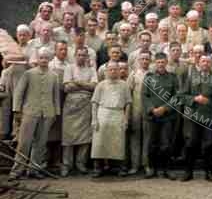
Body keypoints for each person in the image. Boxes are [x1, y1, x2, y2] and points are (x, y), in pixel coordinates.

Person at [8, 47, 61, 181]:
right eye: (41, 57)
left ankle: (34, 169)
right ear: (37, 59)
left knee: (41, 143)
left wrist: (56, 112)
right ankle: (17, 170)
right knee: (24, 142)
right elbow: (19, 93)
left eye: (46, 58)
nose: (43, 60)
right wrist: (17, 110)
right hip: (30, 112)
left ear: (49, 60)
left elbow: (56, 96)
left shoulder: (54, 76)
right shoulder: (29, 74)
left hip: (47, 113)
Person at [178, 55, 212, 182]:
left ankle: (209, 173)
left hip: (210, 117)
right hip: (193, 116)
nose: (205, 63)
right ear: (199, 62)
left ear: (211, 64)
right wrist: (194, 99)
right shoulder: (191, 77)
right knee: (191, 143)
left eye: (208, 61)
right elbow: (181, 96)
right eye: (203, 61)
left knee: (209, 145)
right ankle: (188, 172)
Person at [90, 61, 132, 178]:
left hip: (118, 114)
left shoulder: (124, 85)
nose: (113, 71)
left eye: (115, 69)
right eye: (111, 69)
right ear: (107, 71)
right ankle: (98, 168)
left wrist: (126, 119)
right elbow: (94, 103)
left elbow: (128, 103)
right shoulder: (101, 85)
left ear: (119, 71)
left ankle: (118, 167)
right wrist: (94, 119)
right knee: (99, 142)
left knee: (117, 142)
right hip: (103, 114)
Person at [61, 47, 98, 177]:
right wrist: (85, 85)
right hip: (71, 104)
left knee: (85, 137)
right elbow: (67, 87)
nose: (81, 57)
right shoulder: (69, 68)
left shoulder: (91, 69)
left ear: (87, 57)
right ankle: (66, 165)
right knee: (68, 136)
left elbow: (94, 86)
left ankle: (80, 164)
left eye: (84, 55)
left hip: (86, 104)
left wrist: (77, 82)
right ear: (75, 56)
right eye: (79, 55)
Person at [142, 52, 179, 180]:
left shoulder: (173, 78)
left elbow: (176, 96)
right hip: (152, 116)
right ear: (154, 63)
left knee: (166, 144)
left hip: (167, 117)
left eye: (163, 62)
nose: (160, 64)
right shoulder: (148, 77)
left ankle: (166, 169)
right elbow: (144, 96)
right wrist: (152, 109)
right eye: (158, 62)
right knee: (152, 143)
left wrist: (165, 108)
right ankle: (151, 168)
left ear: (166, 62)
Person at [127, 51, 152, 176]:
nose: (144, 61)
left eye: (147, 59)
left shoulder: (153, 75)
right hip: (136, 109)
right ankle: (134, 165)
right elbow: (128, 94)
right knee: (135, 137)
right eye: (142, 59)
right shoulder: (133, 74)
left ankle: (146, 165)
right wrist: (129, 113)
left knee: (148, 138)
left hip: (149, 111)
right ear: (138, 60)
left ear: (150, 60)